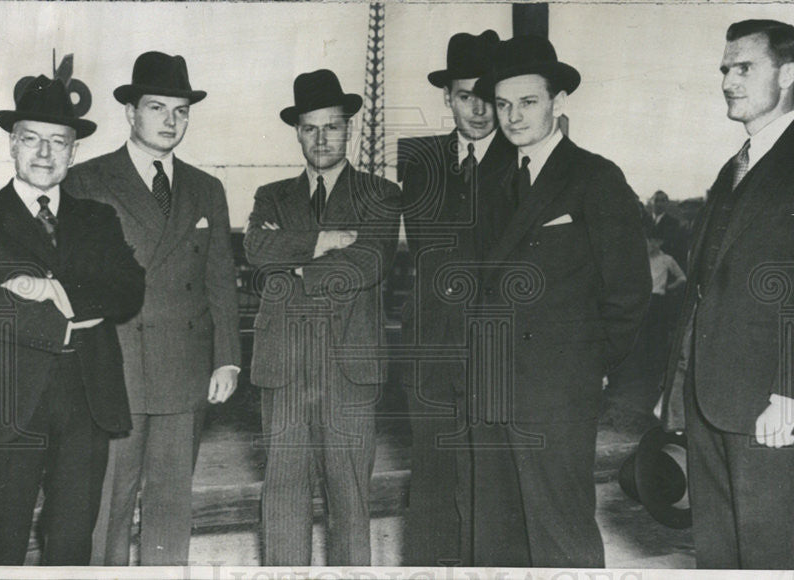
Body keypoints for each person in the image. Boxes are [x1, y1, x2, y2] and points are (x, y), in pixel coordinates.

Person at [656, 20, 794, 569]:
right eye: (725, 68)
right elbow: (704, 290)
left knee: (777, 557)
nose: (728, 80)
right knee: (720, 559)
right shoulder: (734, 168)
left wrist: (792, 393)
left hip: (774, 407)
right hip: (708, 406)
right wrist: (675, 385)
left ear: (789, 73)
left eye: (744, 67)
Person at [0, 75, 145, 565]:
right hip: (6, 405)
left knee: (73, 541)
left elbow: (128, 289)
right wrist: (70, 321)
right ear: (13, 144)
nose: (44, 152)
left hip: (86, 402)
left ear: (73, 153)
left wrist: (51, 290)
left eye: (59, 142)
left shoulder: (98, 218)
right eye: (32, 139)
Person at [470, 35, 651, 568]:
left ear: (558, 102)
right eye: (503, 105)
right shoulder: (491, 179)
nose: (513, 116)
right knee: (497, 533)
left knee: (559, 531)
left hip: (556, 389)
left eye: (528, 102)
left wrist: (587, 367)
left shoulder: (595, 177)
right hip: (491, 383)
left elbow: (629, 292)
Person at [66, 51, 242, 566]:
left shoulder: (207, 188)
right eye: (157, 108)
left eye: (181, 111)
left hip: (186, 372)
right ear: (131, 113)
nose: (170, 121)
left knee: (171, 508)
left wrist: (227, 358)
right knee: (107, 509)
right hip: (115, 366)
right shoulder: (89, 181)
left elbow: (219, 281)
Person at [244, 69, 400, 566]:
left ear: (349, 128)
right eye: (310, 128)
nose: (321, 138)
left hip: (348, 369)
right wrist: (323, 242)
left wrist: (290, 266)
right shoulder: (271, 195)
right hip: (283, 367)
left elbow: (370, 262)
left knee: (349, 498)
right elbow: (254, 247)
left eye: (332, 126)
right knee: (282, 494)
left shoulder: (380, 193)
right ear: (297, 132)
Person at [396, 29, 514, 567]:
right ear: (447, 96)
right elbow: (428, 253)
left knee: (494, 488)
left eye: (490, 97)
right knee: (433, 486)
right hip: (434, 354)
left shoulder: (523, 160)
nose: (480, 109)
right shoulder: (417, 159)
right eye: (467, 96)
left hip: (499, 354)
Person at [646, 233, 685, 383]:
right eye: (649, 241)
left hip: (657, 301)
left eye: (654, 242)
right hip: (645, 300)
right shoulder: (643, 259)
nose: (650, 245)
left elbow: (682, 278)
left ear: (660, 243)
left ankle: (655, 366)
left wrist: (669, 287)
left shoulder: (666, 259)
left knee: (655, 334)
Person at [647, 190, 688, 270]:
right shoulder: (645, 220)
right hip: (647, 263)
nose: (659, 204)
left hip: (663, 265)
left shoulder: (673, 222)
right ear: (651, 202)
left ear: (667, 203)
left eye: (662, 201)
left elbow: (671, 244)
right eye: (656, 200)